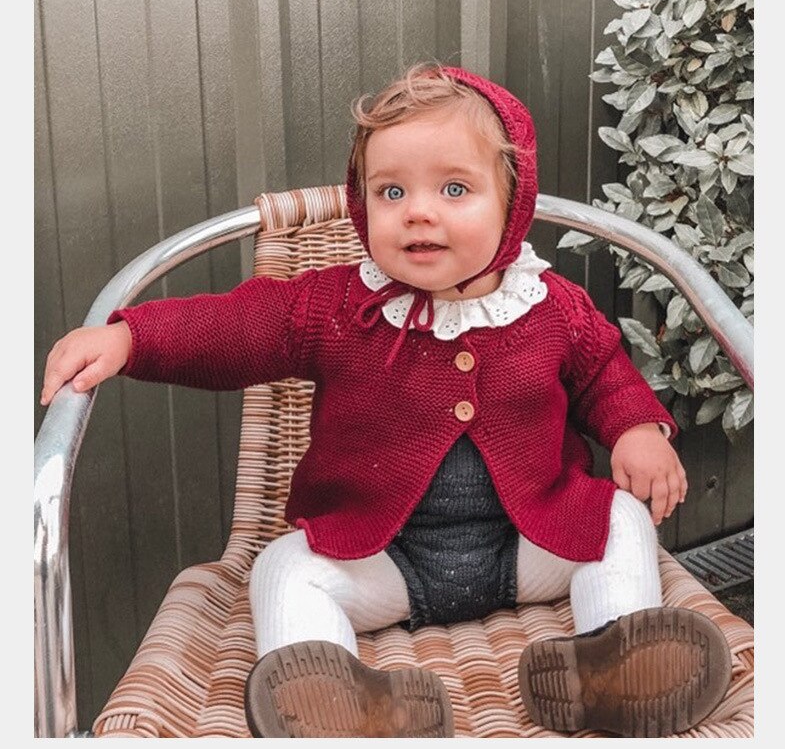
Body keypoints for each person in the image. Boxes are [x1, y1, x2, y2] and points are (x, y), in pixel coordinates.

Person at [40, 63, 732, 739]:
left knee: (619, 520)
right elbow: (238, 327)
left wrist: (638, 429)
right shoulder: (338, 306)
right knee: (283, 569)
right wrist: (133, 339)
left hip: (531, 545)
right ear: (361, 202)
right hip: (383, 558)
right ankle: (338, 702)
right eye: (391, 191)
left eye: (455, 188)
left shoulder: (552, 307)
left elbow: (605, 373)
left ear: (512, 204)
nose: (418, 211)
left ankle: (611, 664)